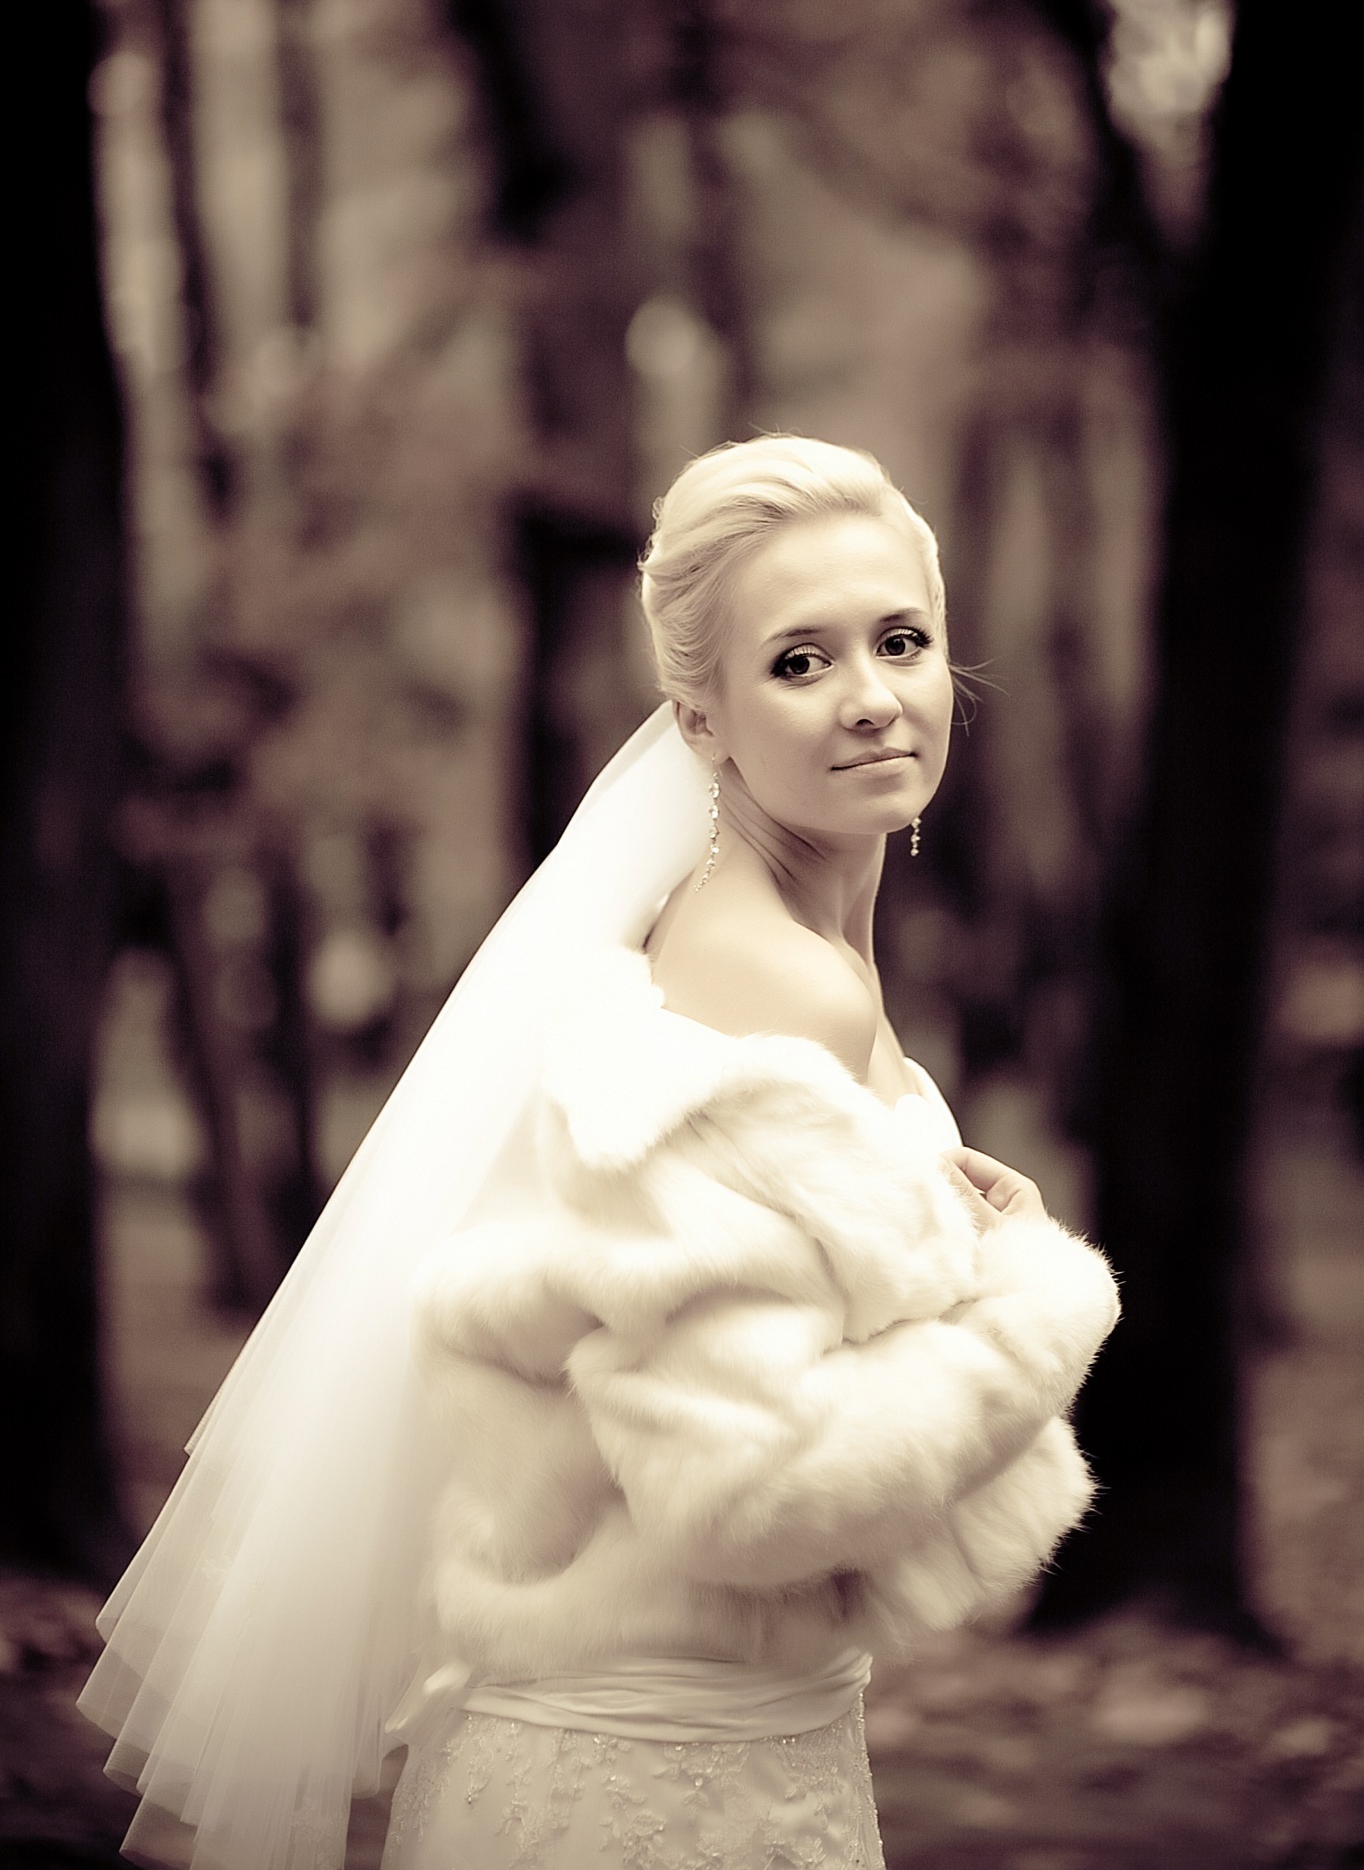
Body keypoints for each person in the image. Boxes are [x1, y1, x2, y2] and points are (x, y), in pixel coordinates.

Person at [81, 436, 1119, 1870]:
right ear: (702, 720)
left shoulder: (794, 949)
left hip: (735, 1732)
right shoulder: (768, 977)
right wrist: (1035, 1303)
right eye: (799, 662)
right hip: (660, 1781)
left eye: (901, 641)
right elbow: (750, 1491)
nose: (874, 698)